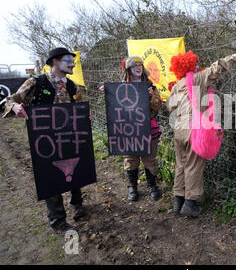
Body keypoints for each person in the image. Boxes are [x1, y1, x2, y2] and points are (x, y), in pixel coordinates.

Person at [2, 47, 86, 234]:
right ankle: (57, 221)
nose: (73, 63)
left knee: (75, 169)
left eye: (73, 61)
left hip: (70, 138)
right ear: (55, 62)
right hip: (45, 141)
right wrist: (15, 107)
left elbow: (81, 110)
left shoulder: (73, 86)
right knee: (50, 176)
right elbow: (10, 100)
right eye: (68, 60)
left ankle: (78, 204)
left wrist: (85, 119)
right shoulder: (36, 83)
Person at [167, 49, 236, 218]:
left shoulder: (177, 86)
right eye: (196, 64)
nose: (199, 66)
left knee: (181, 164)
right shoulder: (198, 79)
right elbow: (217, 67)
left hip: (179, 129)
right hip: (193, 128)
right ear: (191, 66)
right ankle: (190, 204)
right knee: (193, 165)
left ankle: (178, 200)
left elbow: (169, 106)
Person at [99, 56, 163, 202]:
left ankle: (153, 187)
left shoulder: (150, 86)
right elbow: (114, 107)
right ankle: (133, 188)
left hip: (146, 127)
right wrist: (108, 92)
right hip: (127, 129)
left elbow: (158, 105)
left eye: (140, 65)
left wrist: (152, 97)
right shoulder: (120, 87)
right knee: (130, 159)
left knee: (149, 158)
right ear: (128, 69)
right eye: (135, 66)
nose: (138, 68)